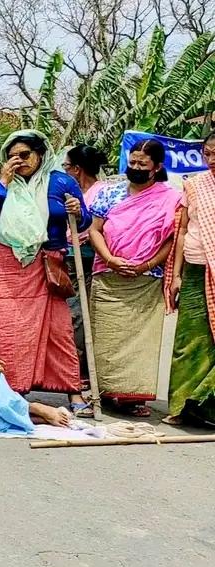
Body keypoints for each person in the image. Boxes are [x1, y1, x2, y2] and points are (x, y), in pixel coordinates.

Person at [0, 130, 93, 416]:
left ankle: (73, 393)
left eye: (25, 155)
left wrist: (77, 211)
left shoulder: (61, 181)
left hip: (48, 263)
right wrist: (3, 181)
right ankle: (11, 388)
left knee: (58, 330)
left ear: (41, 154)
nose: (19, 160)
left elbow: (85, 219)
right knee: (9, 329)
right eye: (12, 156)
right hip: (8, 263)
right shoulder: (4, 184)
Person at [86, 140, 178, 417]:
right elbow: (95, 230)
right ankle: (105, 393)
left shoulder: (170, 198)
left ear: (157, 167)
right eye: (133, 162)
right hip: (108, 277)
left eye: (142, 164)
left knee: (141, 343)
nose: (135, 168)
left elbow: (172, 240)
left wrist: (146, 264)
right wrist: (111, 259)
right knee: (105, 340)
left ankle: (132, 396)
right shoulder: (110, 193)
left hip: (146, 280)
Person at [165, 132, 215, 427]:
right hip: (196, 272)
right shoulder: (194, 185)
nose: (211, 160)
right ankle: (182, 406)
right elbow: (182, 231)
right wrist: (176, 276)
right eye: (207, 154)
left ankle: (206, 407)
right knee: (188, 343)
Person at [61, 144, 110, 383]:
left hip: (87, 257)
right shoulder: (70, 191)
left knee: (78, 313)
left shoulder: (101, 192)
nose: (64, 171)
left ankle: (80, 368)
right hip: (69, 255)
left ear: (77, 169)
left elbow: (96, 227)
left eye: (66, 167)